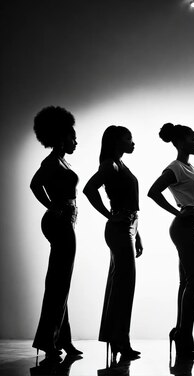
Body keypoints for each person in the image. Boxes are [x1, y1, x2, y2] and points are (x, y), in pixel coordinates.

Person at [83, 125, 142, 360]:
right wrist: (109, 215)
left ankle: (117, 338)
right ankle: (120, 340)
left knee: (122, 285)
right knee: (124, 286)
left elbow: (131, 204)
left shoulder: (120, 164)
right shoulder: (111, 164)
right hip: (119, 228)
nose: (133, 142)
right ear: (118, 141)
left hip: (128, 227)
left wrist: (137, 233)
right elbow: (89, 189)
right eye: (129, 138)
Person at [147, 123, 194, 358]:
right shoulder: (176, 168)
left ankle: (182, 333)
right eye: (193, 139)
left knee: (187, 281)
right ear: (180, 143)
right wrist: (178, 212)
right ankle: (184, 336)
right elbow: (153, 191)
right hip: (185, 225)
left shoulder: (191, 168)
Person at [30, 106, 82, 359]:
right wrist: (52, 205)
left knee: (62, 282)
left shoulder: (61, 162)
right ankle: (47, 341)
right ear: (62, 137)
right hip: (58, 224)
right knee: (58, 283)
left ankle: (62, 339)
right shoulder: (51, 162)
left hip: (65, 223)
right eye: (73, 137)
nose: (76, 141)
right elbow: (34, 183)